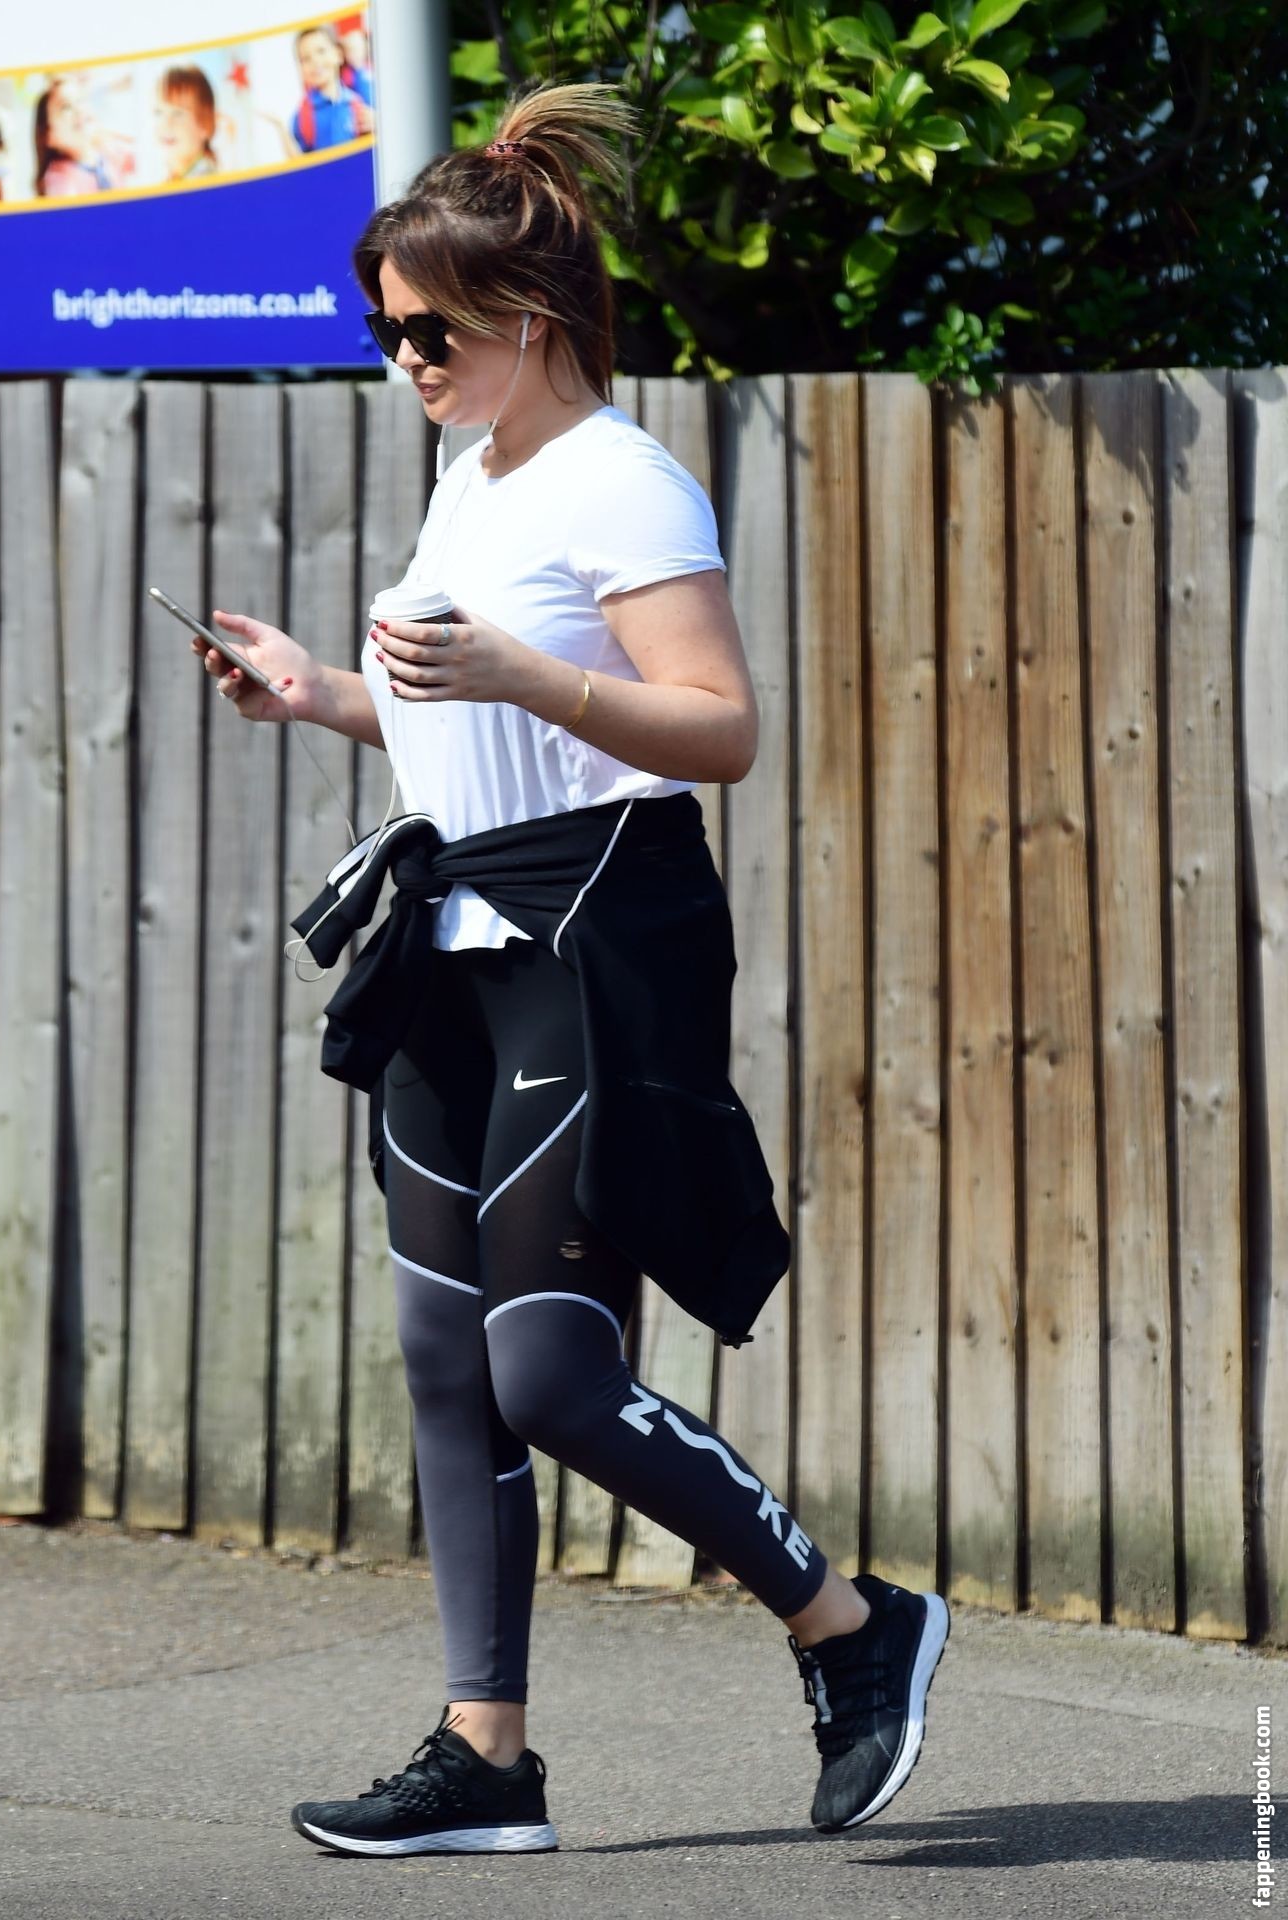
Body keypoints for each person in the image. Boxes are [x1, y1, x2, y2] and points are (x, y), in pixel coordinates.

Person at [191, 79, 950, 1858]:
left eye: (430, 332)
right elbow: (466, 734)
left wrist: (522, 674)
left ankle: (851, 1625)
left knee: (547, 1375)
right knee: (445, 1354)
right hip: (454, 943)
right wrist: (322, 695)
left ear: (528, 315)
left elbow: (718, 728)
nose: (406, 361)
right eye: (387, 333)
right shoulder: (472, 474)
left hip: (592, 945)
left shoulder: (623, 477)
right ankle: (489, 1757)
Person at [34, 76, 134, 197]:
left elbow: (146, 154)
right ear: (49, 136)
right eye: (65, 107)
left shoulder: (110, 151)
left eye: (81, 100)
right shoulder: (59, 177)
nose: (79, 109)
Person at [289, 23, 372, 153]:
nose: (315, 61)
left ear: (338, 54)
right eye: (306, 58)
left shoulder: (358, 102)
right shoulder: (301, 118)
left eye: (321, 51)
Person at [154, 66, 218, 183]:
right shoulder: (175, 177)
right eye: (158, 112)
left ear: (205, 125)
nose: (166, 123)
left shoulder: (206, 181)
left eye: (178, 113)